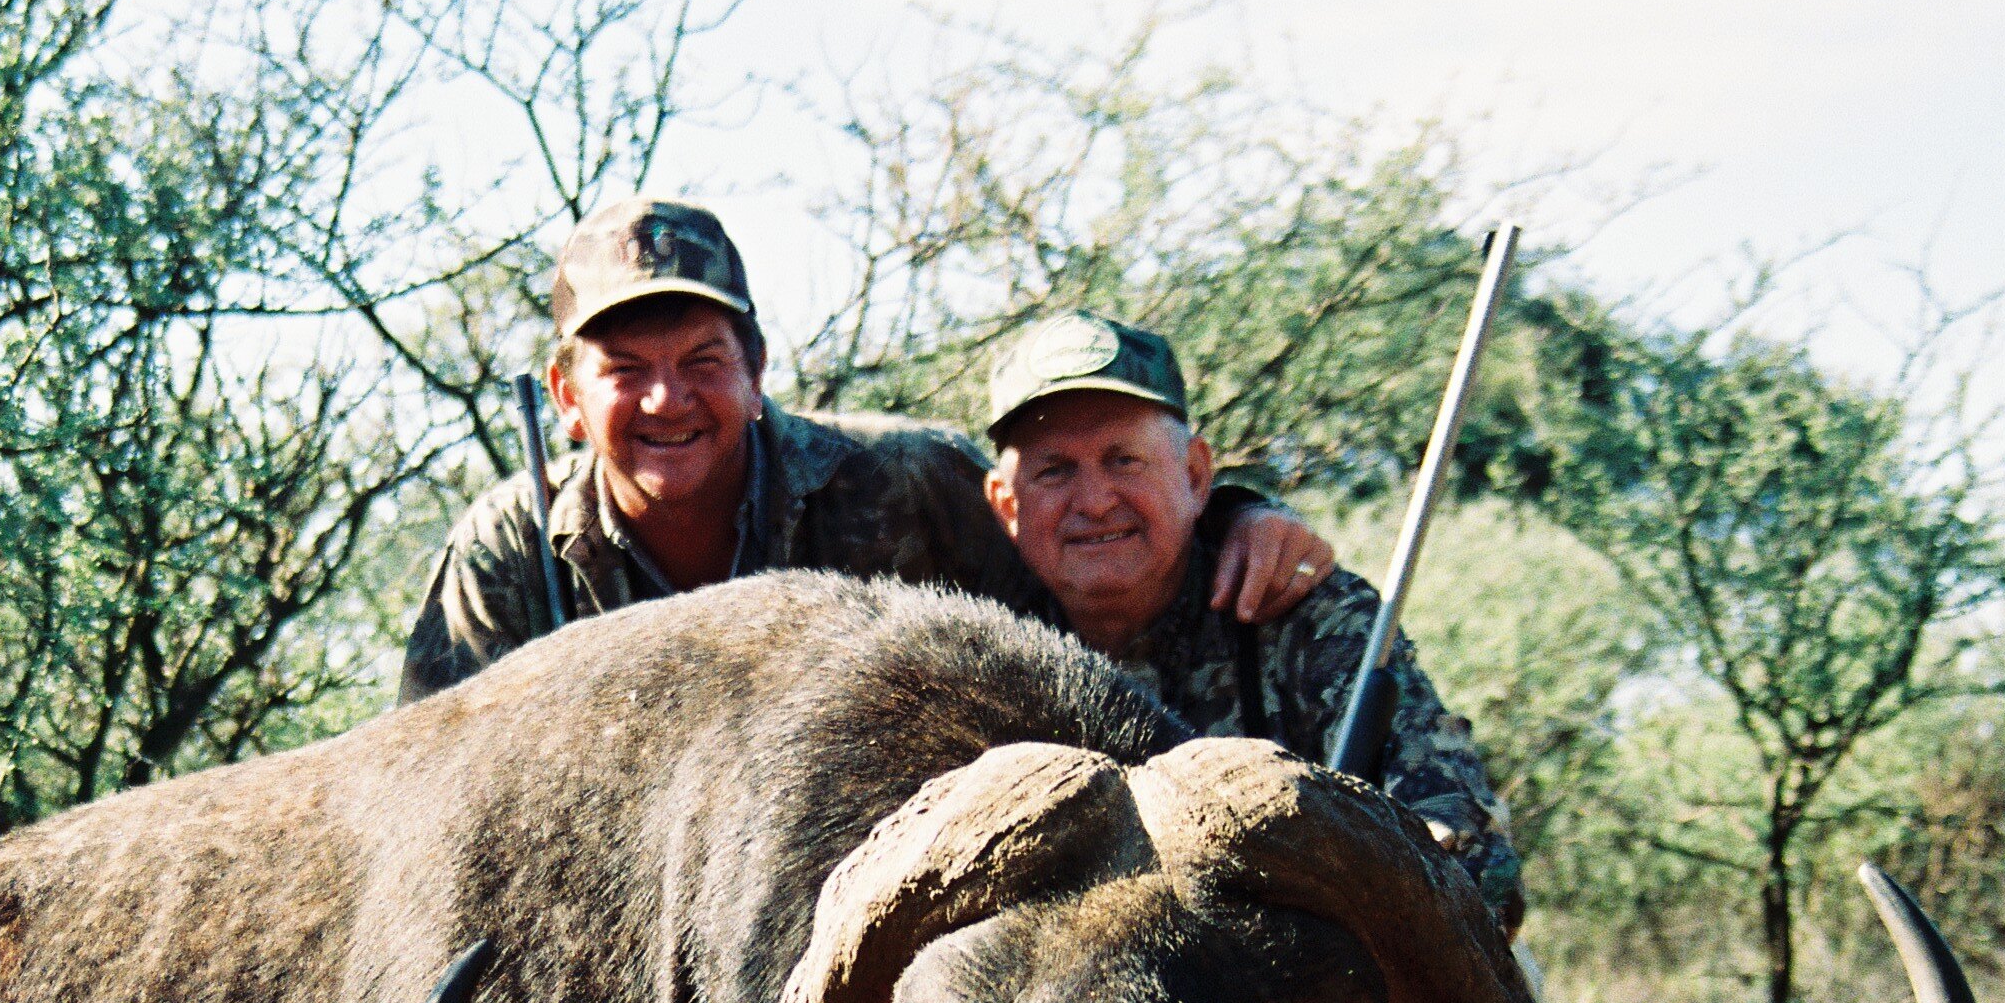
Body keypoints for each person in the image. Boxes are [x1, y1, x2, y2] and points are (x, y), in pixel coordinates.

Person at [395, 198, 1333, 704]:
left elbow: (1083, 527)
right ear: (564, 396)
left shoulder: (906, 480)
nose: (666, 399)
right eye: (626, 369)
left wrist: (1238, 512)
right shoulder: (505, 555)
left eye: (703, 361)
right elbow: (433, 797)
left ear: (757, 370)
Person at [982, 308, 1524, 928]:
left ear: (1193, 475)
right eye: (1054, 471)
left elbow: (1479, 864)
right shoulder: (979, 659)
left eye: (1124, 460)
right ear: (1006, 506)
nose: (1096, 501)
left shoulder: (1311, 616)